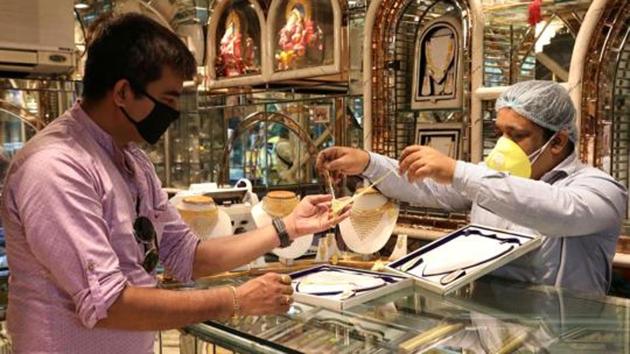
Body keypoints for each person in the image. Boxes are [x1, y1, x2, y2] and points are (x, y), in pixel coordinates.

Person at [0, 14, 349, 353]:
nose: (174, 112)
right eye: (167, 99)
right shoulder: (56, 168)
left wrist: (287, 227)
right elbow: (110, 305)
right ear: (122, 92)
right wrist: (235, 300)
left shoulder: (130, 159)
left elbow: (187, 255)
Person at [318, 80, 628, 296]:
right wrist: (368, 163)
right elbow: (428, 188)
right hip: (495, 330)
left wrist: (456, 171)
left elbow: (558, 212)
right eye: (500, 134)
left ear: (557, 141)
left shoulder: (600, 189)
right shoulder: (487, 177)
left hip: (565, 337)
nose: (504, 145)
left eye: (516, 135)